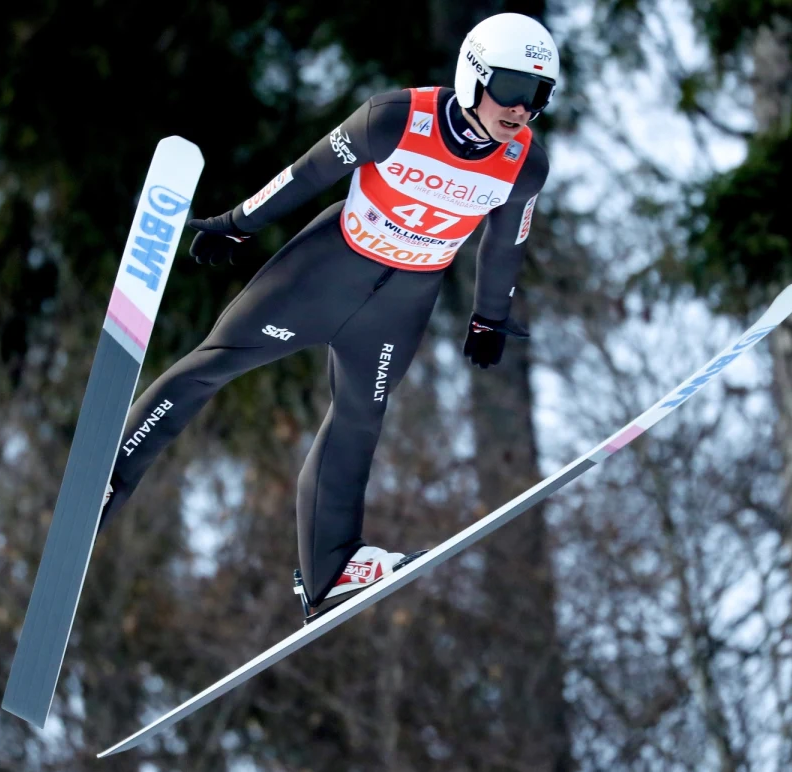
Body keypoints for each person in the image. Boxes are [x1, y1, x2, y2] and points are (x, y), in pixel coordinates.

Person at [99, 13, 559, 617]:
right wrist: (239, 224)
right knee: (213, 364)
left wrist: (489, 317)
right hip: (323, 274)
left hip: (399, 306)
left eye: (538, 95)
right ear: (473, 76)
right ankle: (108, 477)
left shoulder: (525, 164)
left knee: (359, 420)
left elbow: (505, 245)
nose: (521, 108)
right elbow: (309, 172)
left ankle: (331, 569)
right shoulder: (395, 118)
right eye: (512, 88)